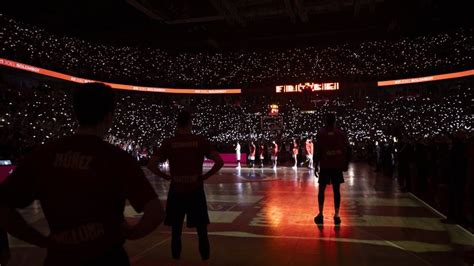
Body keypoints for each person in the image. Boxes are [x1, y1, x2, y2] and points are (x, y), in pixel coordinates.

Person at [0, 83, 165, 266]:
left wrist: (41, 240)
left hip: (60, 259)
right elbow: (155, 213)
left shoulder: (43, 155)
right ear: (109, 117)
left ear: (76, 113)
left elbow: (3, 207)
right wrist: (131, 233)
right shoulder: (117, 158)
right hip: (107, 259)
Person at [147, 111, 224, 264]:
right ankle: (205, 261)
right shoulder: (200, 141)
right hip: (195, 191)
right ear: (190, 123)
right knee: (202, 231)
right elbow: (219, 161)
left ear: (177, 124)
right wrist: (205, 176)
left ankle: (176, 260)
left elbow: (151, 165)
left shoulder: (169, 142)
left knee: (176, 231)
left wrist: (166, 177)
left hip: (176, 190)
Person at [314, 113, 350, 225]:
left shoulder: (320, 133)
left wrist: (316, 165)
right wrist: (346, 163)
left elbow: (318, 150)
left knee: (321, 190)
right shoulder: (341, 133)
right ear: (335, 121)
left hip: (325, 165)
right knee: (336, 191)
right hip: (337, 165)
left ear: (325, 121)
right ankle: (337, 215)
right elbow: (348, 149)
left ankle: (320, 214)